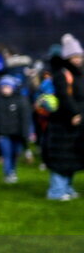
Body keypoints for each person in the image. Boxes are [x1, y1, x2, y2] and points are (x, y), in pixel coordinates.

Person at [43, 34, 84, 200]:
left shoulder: (79, 74)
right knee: (61, 157)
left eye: (79, 56)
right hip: (64, 123)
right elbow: (64, 96)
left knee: (72, 157)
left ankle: (67, 187)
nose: (78, 59)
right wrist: (74, 113)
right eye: (74, 56)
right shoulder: (62, 74)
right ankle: (56, 191)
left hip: (78, 121)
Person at [0, 75, 32, 183]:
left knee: (15, 154)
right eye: (3, 87)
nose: (5, 89)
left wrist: (25, 134)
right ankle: (8, 173)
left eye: (7, 86)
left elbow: (24, 119)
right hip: (3, 133)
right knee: (7, 154)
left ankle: (13, 171)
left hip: (17, 133)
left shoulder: (20, 100)